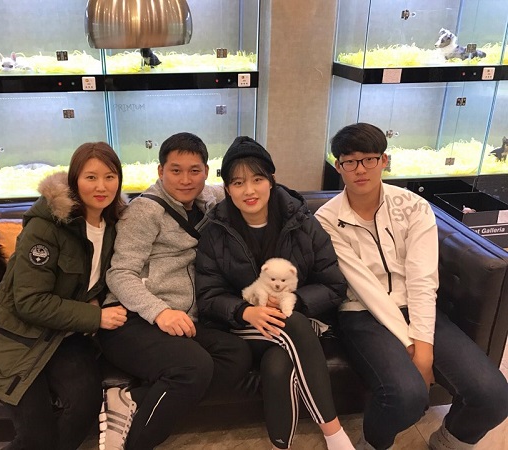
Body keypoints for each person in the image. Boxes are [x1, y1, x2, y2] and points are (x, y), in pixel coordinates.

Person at [315, 122, 508, 450]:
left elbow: (422, 280)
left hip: (417, 307)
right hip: (362, 313)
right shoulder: (326, 219)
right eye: (350, 161)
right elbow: (365, 287)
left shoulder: (414, 207)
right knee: (405, 396)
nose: (360, 169)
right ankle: (374, 444)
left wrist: (424, 347)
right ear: (338, 167)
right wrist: (411, 347)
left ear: (384, 161)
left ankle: (449, 441)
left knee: (494, 395)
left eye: (369, 159)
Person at [195, 136, 355, 450]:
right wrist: (245, 311)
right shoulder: (216, 231)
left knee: (278, 363)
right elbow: (208, 296)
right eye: (238, 182)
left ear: (271, 180)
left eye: (257, 179)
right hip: (241, 326)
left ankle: (280, 445)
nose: (249, 190)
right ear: (227, 189)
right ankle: (334, 434)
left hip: (298, 320)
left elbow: (334, 285)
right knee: (291, 326)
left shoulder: (302, 222)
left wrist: (293, 302)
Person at [98, 132, 252, 450]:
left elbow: (251, 190)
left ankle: (129, 399)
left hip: (182, 319)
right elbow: (120, 274)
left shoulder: (209, 201)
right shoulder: (145, 211)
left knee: (236, 355)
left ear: (206, 172)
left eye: (194, 170)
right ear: (160, 171)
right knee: (193, 367)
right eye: (176, 170)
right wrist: (160, 312)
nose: (185, 180)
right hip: (132, 319)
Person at [0, 142, 128, 450]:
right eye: (91, 177)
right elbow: (29, 302)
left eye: (110, 177)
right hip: (19, 337)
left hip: (68, 335)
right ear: (74, 180)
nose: (101, 186)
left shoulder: (114, 225)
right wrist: (96, 316)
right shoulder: (46, 228)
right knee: (36, 437)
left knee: (84, 406)